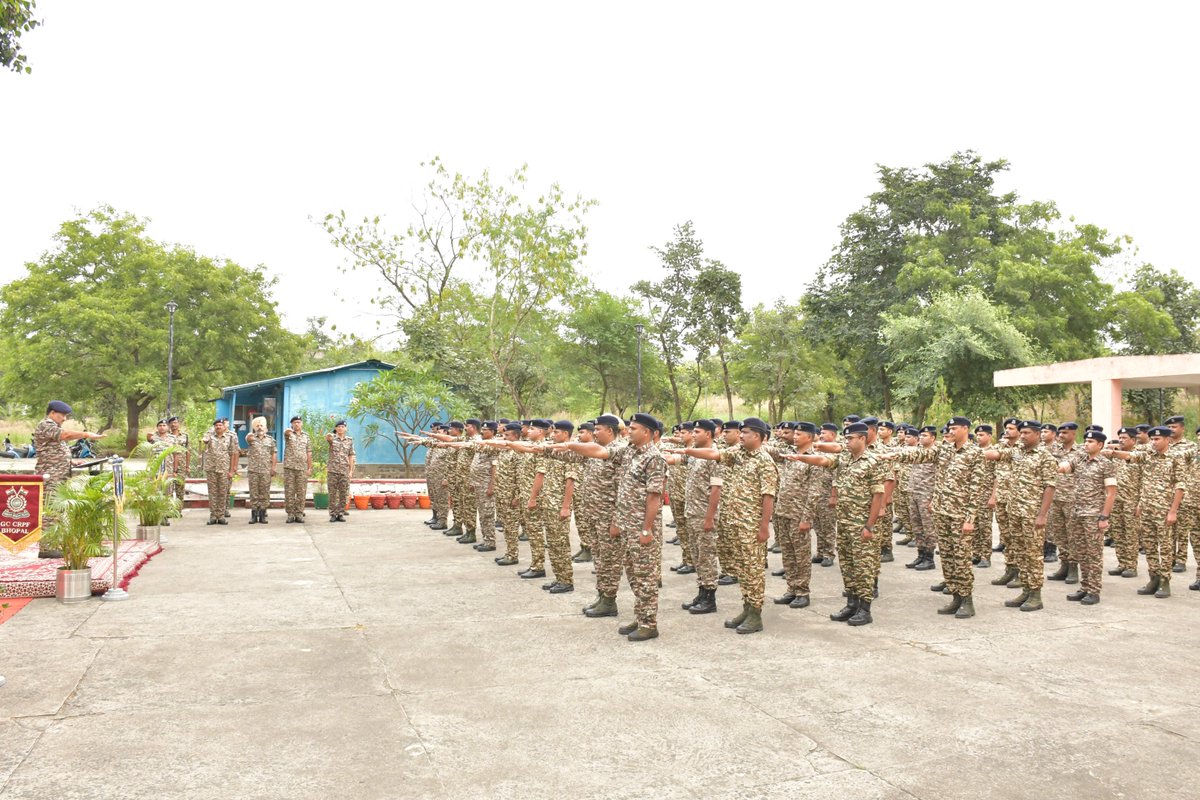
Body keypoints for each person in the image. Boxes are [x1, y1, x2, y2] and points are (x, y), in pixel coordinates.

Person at [672, 417, 779, 634]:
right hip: (733, 523)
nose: (740, 436)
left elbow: (768, 496)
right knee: (741, 569)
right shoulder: (737, 454)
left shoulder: (765, 461)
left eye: (745, 433)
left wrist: (764, 527)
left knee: (753, 570)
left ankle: (755, 613)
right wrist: (687, 452)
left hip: (751, 526)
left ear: (757, 436)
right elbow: (714, 454)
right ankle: (747, 608)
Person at [885, 417, 983, 618]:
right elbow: (920, 455)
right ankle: (955, 596)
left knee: (961, 558)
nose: (951, 431)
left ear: (965, 429)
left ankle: (967, 600)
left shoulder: (975, 453)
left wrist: (970, 519)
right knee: (947, 556)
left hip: (960, 514)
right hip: (942, 511)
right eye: (950, 428)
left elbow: (977, 487)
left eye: (955, 428)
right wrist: (893, 455)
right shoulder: (944, 449)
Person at [791, 422, 887, 626]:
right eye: (845, 439)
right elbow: (824, 460)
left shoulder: (873, 461)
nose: (847, 442)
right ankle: (851, 604)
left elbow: (878, 495)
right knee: (847, 565)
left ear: (862, 438)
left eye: (850, 438)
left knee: (864, 567)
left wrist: (869, 526)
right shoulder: (845, 458)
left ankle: (865, 608)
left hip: (862, 524)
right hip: (844, 522)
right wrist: (801, 457)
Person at [983, 421, 1058, 612]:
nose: (1022, 436)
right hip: (1014, 511)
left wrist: (1042, 515)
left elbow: (1050, 487)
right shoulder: (1017, 452)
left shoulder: (1045, 457)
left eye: (1026, 433)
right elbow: (996, 454)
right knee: (1020, 552)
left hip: (1032, 514)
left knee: (1033, 555)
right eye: (1021, 433)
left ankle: (1035, 594)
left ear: (1037, 434)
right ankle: (1025, 590)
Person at [1104, 426, 1184, 598]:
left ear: (1167, 440)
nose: (1153, 442)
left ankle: (1165, 581)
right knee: (1149, 545)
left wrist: (1173, 511)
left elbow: (1180, 486)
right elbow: (1130, 456)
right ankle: (1153, 577)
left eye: (1157, 439)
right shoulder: (1147, 455)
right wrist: (1111, 452)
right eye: (1152, 439)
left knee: (1166, 546)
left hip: (1164, 510)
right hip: (1146, 508)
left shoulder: (1175, 458)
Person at [1057, 429, 1116, 604]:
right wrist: (1047, 464)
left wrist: (1104, 517)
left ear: (1100, 445)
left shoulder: (1106, 464)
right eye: (1085, 441)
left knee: (1094, 554)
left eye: (1091, 442)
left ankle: (1094, 590)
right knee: (1081, 553)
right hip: (1077, 512)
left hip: (1093, 515)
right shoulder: (1080, 459)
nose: (1086, 444)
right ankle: (1084, 587)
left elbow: (1111, 493)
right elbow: (1063, 469)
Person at [33, 401, 103, 501]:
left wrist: (70, 461)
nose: (64, 419)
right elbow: (65, 435)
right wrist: (86, 434)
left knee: (59, 506)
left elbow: (56, 449)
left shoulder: (55, 427)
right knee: (50, 505)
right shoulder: (45, 424)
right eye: (62, 415)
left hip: (59, 473)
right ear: (52, 413)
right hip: (51, 474)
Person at [201, 417, 239, 525]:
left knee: (222, 493)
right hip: (211, 469)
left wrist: (232, 470)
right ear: (214, 427)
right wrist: (207, 437)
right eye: (216, 425)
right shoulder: (209, 437)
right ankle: (213, 516)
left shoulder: (229, 438)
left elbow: (232, 453)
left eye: (220, 425)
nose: (218, 427)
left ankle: (221, 516)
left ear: (224, 427)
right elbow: (204, 442)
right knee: (212, 493)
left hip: (224, 469)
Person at [245, 416, 277, 524]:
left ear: (265, 427)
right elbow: (248, 438)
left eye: (261, 425)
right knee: (254, 493)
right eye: (257, 426)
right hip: (253, 470)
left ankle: (263, 515)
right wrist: (251, 434)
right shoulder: (251, 438)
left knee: (264, 493)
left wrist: (273, 468)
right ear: (254, 428)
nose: (259, 428)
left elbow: (273, 454)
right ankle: (254, 515)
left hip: (265, 470)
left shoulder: (270, 440)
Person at [282, 416, 313, 523]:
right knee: (289, 491)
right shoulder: (289, 434)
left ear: (302, 424)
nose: (296, 424)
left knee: (301, 491)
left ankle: (299, 513)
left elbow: (309, 453)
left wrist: (309, 467)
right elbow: (286, 433)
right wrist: (287, 431)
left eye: (298, 422)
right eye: (294, 422)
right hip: (289, 468)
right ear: (292, 424)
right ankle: (290, 514)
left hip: (302, 468)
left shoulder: (306, 436)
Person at [325, 421, 355, 522]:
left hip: (344, 471)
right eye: (339, 427)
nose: (341, 428)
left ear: (345, 428)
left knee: (343, 493)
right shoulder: (332, 439)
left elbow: (351, 455)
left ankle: (341, 513)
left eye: (343, 426)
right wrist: (329, 436)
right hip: (333, 470)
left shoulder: (349, 441)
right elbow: (328, 438)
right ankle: (333, 514)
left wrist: (351, 470)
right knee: (332, 493)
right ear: (336, 428)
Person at [167, 416, 190, 506]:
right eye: (172, 423)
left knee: (180, 488)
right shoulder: (166, 435)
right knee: (168, 488)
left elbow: (188, 451)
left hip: (182, 465)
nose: (174, 425)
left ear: (179, 424)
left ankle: (178, 509)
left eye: (175, 423)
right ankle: (168, 509)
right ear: (169, 425)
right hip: (169, 465)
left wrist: (188, 466)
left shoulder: (185, 436)